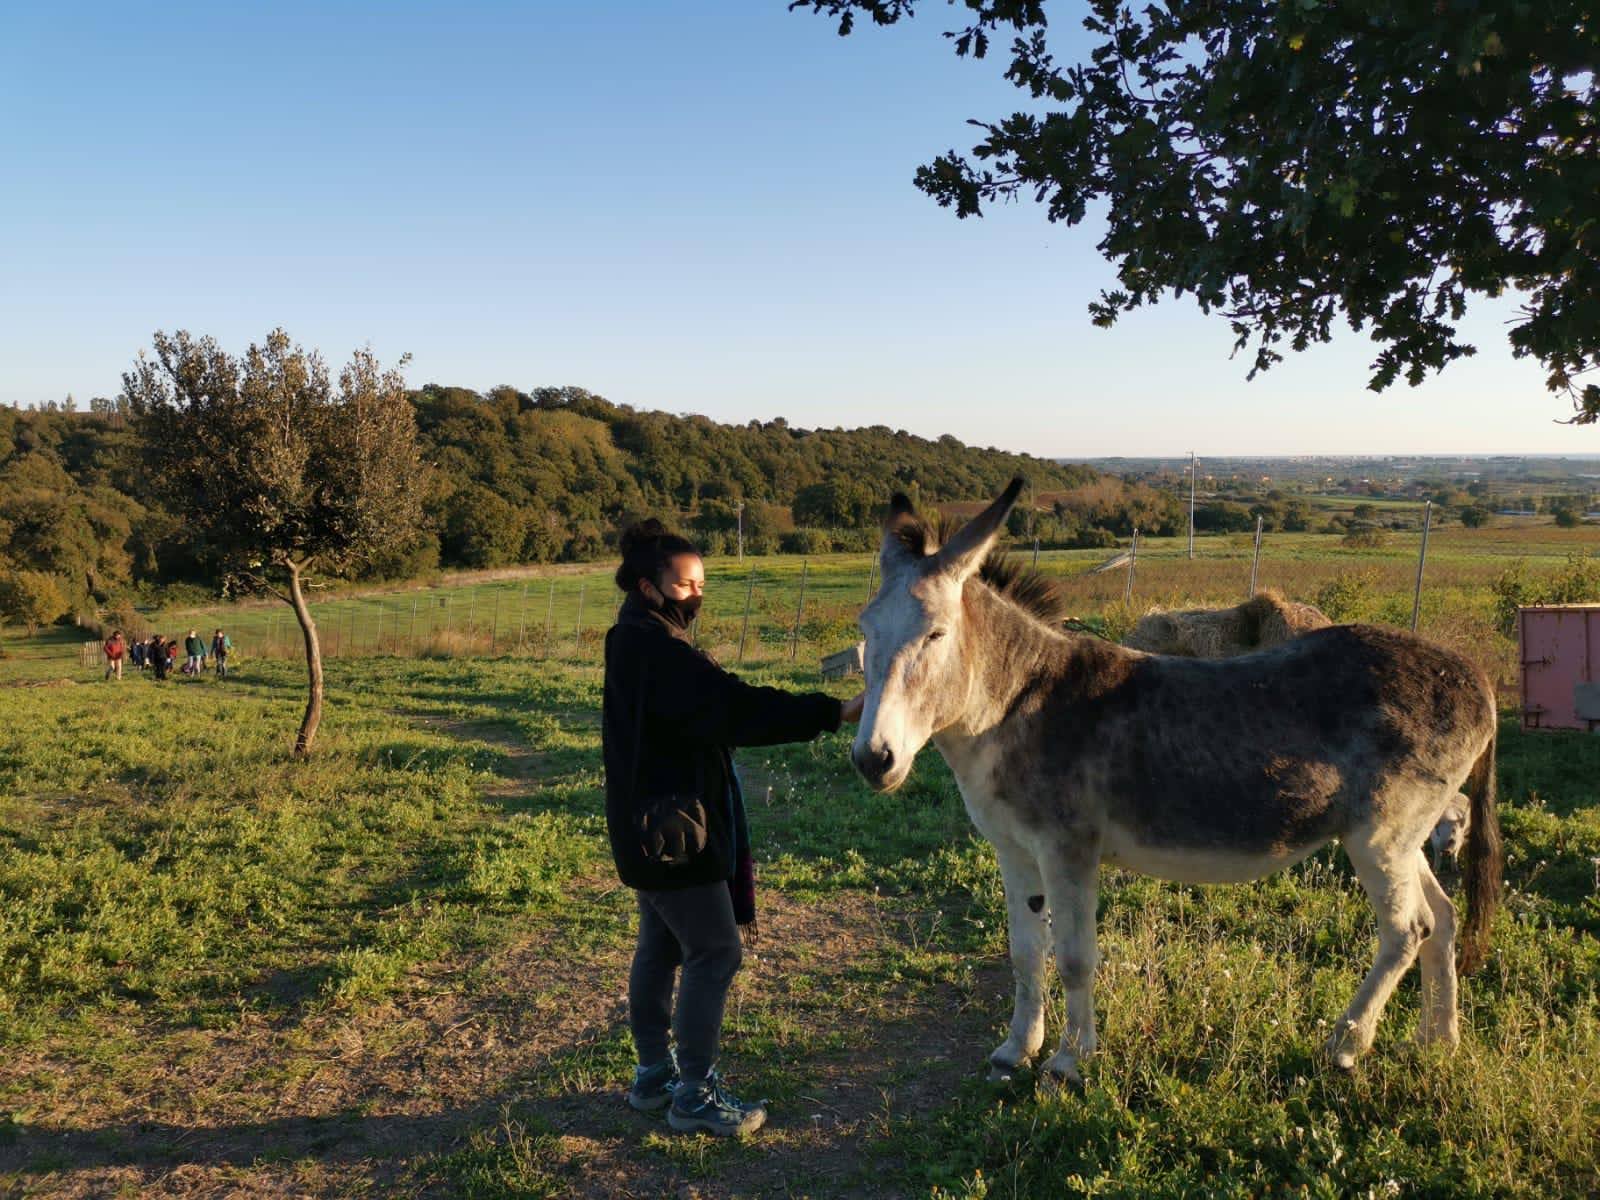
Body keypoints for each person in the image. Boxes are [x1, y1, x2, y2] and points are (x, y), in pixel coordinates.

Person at [603, 520, 863, 1138]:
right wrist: (831, 711)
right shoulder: (661, 652)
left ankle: (651, 1077)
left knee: (661, 947)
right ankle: (692, 1094)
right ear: (648, 585)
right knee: (715, 951)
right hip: (676, 831)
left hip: (646, 824)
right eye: (685, 584)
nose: (696, 594)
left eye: (702, 583)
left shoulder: (631, 635)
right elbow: (737, 707)